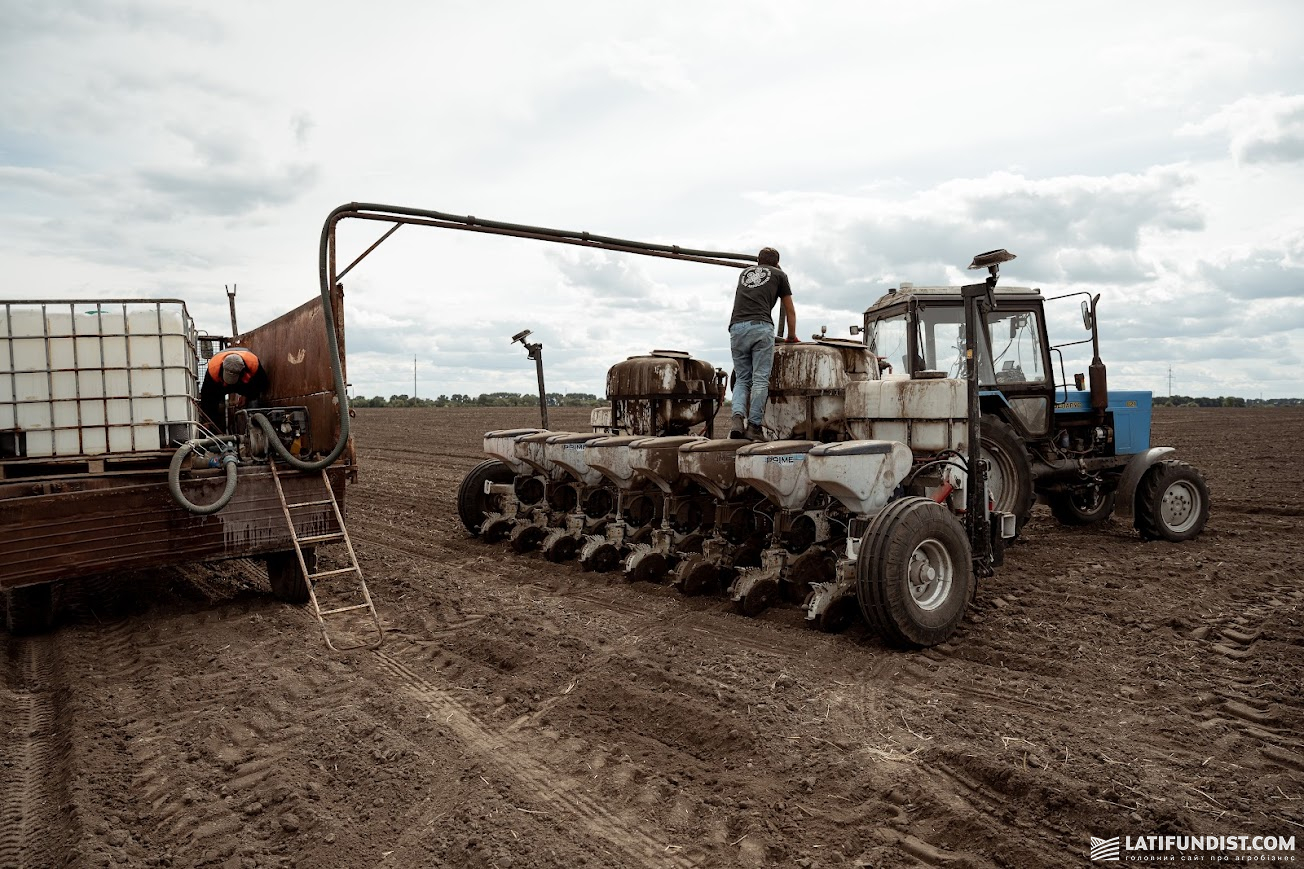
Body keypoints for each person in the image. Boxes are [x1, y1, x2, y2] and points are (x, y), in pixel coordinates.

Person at [728, 247, 797, 440]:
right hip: (760, 327)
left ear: (758, 261)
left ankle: (737, 420)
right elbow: (789, 310)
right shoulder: (780, 275)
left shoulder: (745, 273)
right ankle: (754, 426)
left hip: (736, 327)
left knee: (742, 378)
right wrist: (791, 336)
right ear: (777, 262)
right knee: (759, 379)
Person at [199, 347, 269, 433]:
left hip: (244, 383)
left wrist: (247, 395)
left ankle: (255, 432)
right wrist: (207, 420)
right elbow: (206, 396)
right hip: (220, 386)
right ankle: (217, 435)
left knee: (254, 403)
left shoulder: (253, 364)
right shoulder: (213, 369)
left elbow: (262, 384)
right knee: (216, 405)